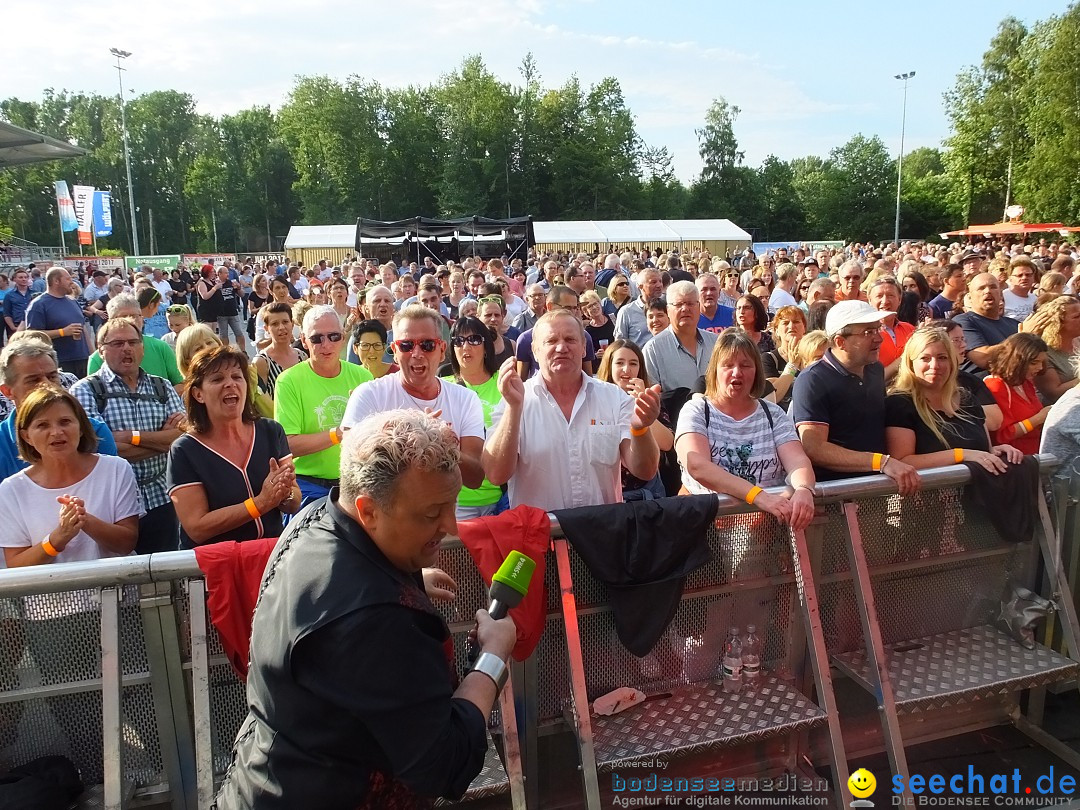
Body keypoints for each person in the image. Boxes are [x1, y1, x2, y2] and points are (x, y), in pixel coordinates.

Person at [215, 409, 516, 809]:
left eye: (453, 505)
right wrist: (492, 659)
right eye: (431, 514)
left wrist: (401, 580)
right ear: (369, 509)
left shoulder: (315, 517)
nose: (452, 527)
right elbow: (445, 764)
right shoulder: (377, 620)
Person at [484, 309, 661, 510]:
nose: (561, 347)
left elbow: (645, 471)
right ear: (534, 350)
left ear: (584, 348)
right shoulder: (514, 400)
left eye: (570, 339)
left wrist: (641, 429)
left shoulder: (614, 397)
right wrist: (514, 409)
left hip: (602, 533)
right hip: (540, 536)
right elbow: (495, 474)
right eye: (551, 341)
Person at [675, 330, 816, 529]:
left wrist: (804, 489)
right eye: (728, 365)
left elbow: (797, 461)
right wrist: (758, 496)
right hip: (708, 531)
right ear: (714, 370)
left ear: (756, 371)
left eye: (745, 365)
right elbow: (698, 466)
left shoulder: (773, 414)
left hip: (766, 529)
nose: (736, 372)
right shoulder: (696, 410)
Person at [72, 317, 186, 553]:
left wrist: (129, 437)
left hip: (161, 498)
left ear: (142, 348)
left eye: (133, 342)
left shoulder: (161, 386)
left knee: (165, 575)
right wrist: (161, 440)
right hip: (111, 507)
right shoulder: (85, 390)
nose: (127, 349)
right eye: (118, 343)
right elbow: (100, 450)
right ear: (101, 350)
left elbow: (182, 439)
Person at [168, 346, 300, 547]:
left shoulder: (271, 431)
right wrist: (261, 503)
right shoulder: (185, 450)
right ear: (198, 394)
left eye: (237, 377)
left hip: (270, 562)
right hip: (216, 568)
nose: (230, 384)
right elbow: (197, 527)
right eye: (217, 379)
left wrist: (284, 494)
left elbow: (294, 500)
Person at [342, 305, 485, 487]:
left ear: (442, 350)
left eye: (427, 345)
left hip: (443, 512)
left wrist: (441, 444)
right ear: (394, 351)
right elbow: (349, 472)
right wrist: (399, 439)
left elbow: (475, 478)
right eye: (407, 345)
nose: (417, 354)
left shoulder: (466, 399)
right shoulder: (368, 395)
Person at [0, 383, 138, 567]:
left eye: (65, 422)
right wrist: (57, 539)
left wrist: (85, 520)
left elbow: (126, 543)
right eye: (42, 425)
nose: (57, 432)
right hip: (48, 596)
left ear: (81, 428)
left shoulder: (116, 469)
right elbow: (16, 565)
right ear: (26, 437)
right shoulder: (11, 491)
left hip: (114, 593)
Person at [791, 300, 921, 491]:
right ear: (840, 342)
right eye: (868, 332)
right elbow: (814, 448)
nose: (879, 338)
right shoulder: (812, 380)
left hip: (878, 489)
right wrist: (882, 462)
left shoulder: (875, 369)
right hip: (835, 496)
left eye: (878, 329)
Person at [886, 327, 1023, 471]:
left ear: (952, 362)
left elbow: (984, 449)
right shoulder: (899, 403)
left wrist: (999, 452)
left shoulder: (967, 399)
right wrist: (960, 455)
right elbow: (902, 461)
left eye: (942, 358)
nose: (935, 366)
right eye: (925, 358)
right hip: (928, 491)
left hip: (977, 490)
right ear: (910, 363)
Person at [275, 306, 374, 505]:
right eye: (317, 338)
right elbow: (287, 444)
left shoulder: (363, 376)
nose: (326, 344)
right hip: (309, 485)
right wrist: (337, 433)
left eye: (333, 336)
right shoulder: (289, 381)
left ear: (343, 337)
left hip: (357, 481)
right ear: (304, 341)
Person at [0, 338, 118, 482]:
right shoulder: (2, 442)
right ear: (7, 391)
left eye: (52, 376)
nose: (47, 385)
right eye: (33, 380)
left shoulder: (95, 431)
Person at [442, 317, 509, 519]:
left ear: (486, 346)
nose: (466, 346)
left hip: (503, 497)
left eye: (474, 339)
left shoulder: (506, 383)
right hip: (456, 500)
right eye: (459, 341)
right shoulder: (440, 387)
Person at [596, 339, 673, 500]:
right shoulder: (596, 398)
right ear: (609, 366)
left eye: (633, 363)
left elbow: (667, 443)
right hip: (608, 490)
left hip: (646, 491)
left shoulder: (651, 398)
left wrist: (640, 404)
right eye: (619, 363)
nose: (627, 369)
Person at [86, 293, 184, 387]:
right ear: (111, 321)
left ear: (142, 318)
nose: (131, 321)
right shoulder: (97, 359)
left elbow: (181, 383)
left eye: (135, 316)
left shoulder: (161, 347)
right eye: (124, 317)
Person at [642, 281, 719, 395]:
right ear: (668, 310)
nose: (685, 309)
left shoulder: (716, 342)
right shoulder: (653, 349)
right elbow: (652, 396)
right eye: (678, 304)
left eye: (690, 303)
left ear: (699, 307)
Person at [983, 332, 1052, 454]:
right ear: (1017, 361)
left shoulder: (1026, 383)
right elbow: (1001, 436)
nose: (1041, 367)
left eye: (1042, 362)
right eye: (1034, 363)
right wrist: (1039, 418)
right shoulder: (996, 386)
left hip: (1035, 455)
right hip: (1014, 462)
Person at [24, 266, 89, 377]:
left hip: (83, 359)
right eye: (68, 279)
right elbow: (32, 335)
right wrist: (62, 332)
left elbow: (84, 330)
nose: (72, 282)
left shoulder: (72, 301)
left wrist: (91, 354)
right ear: (56, 281)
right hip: (59, 362)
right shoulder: (39, 305)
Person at [954, 273, 1020, 378]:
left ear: (1001, 294)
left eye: (993, 287)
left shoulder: (1014, 324)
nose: (988, 291)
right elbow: (983, 358)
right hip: (981, 388)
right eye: (981, 288)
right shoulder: (963, 321)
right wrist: (1022, 339)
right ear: (970, 297)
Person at [1023, 295, 1080, 403]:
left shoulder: (1078, 340)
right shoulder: (1043, 351)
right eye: (1077, 316)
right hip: (1060, 409)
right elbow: (1053, 393)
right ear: (1059, 323)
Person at [253, 303, 308, 399]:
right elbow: (260, 401)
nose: (281, 327)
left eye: (285, 322)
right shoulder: (262, 362)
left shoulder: (302, 356)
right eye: (275, 324)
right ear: (267, 328)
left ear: (292, 324)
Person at [761, 306, 808, 411]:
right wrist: (792, 365)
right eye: (786, 323)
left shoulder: (813, 356)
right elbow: (774, 397)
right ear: (776, 330)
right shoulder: (769, 359)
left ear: (804, 327)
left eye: (796, 322)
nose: (791, 326)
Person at [868, 277, 914, 381]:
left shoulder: (909, 329)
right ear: (870, 300)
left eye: (891, 295)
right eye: (879, 296)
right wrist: (902, 359)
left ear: (899, 300)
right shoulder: (866, 334)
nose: (885, 301)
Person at [614, 268, 664, 347]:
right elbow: (620, 344)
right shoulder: (627, 312)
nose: (659, 285)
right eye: (653, 282)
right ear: (641, 287)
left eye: (660, 281)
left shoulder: (667, 307)